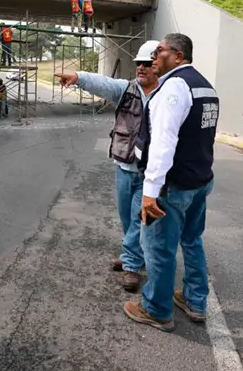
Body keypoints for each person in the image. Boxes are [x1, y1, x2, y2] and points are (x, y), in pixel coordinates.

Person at [123, 33, 220, 333]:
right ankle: (195, 300)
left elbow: (164, 143)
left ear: (178, 55)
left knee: (159, 248)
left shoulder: (174, 88)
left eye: (160, 51)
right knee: (191, 241)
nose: (153, 56)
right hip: (199, 181)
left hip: (174, 186)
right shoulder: (205, 86)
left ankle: (156, 309)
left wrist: (150, 193)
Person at [54, 40, 160, 292]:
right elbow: (103, 83)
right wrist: (78, 77)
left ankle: (132, 265)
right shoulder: (127, 90)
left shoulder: (166, 95)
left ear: (159, 66)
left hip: (149, 173)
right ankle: (133, 255)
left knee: (138, 219)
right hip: (124, 168)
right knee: (127, 218)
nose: (141, 68)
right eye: (138, 64)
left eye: (147, 64)